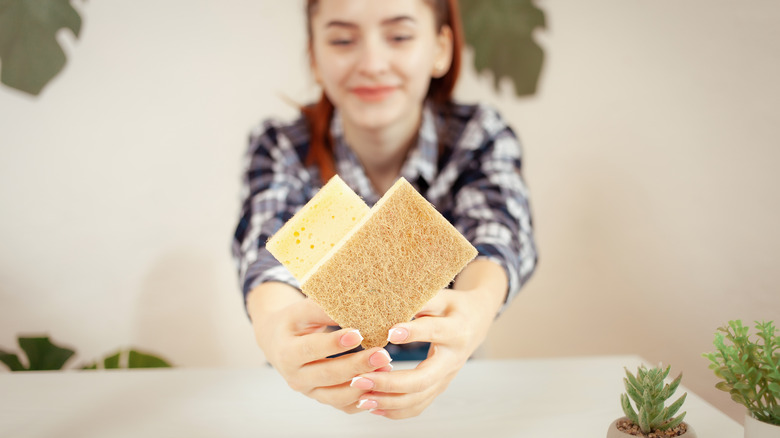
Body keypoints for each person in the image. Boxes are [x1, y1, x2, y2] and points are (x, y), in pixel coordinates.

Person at [232, 0, 537, 419]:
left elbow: (497, 233)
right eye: (342, 39)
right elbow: (266, 256)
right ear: (315, 56)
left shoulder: (480, 136)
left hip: (454, 396)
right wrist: (273, 324)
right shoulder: (281, 147)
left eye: (399, 36)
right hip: (307, 401)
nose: (372, 63)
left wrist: (476, 308)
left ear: (440, 49)